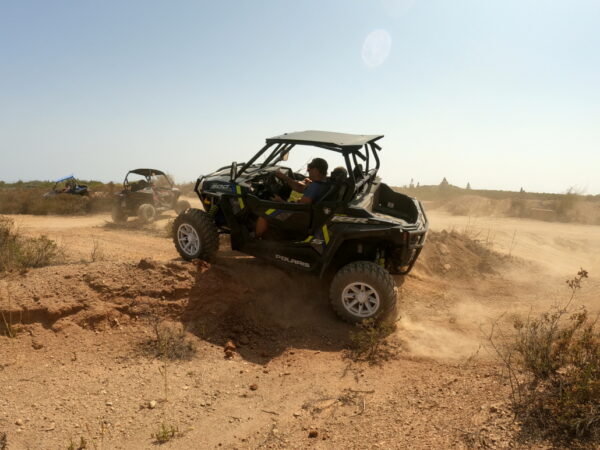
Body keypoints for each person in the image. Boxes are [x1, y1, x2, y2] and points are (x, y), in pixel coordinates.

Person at [255, 157, 329, 238]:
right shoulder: (323, 184)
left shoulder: (315, 186)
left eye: (310, 167)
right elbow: (299, 189)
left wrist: (281, 201)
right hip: (308, 216)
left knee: (264, 214)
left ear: (316, 169)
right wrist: (285, 178)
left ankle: (256, 238)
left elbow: (301, 207)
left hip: (299, 217)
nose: (308, 170)